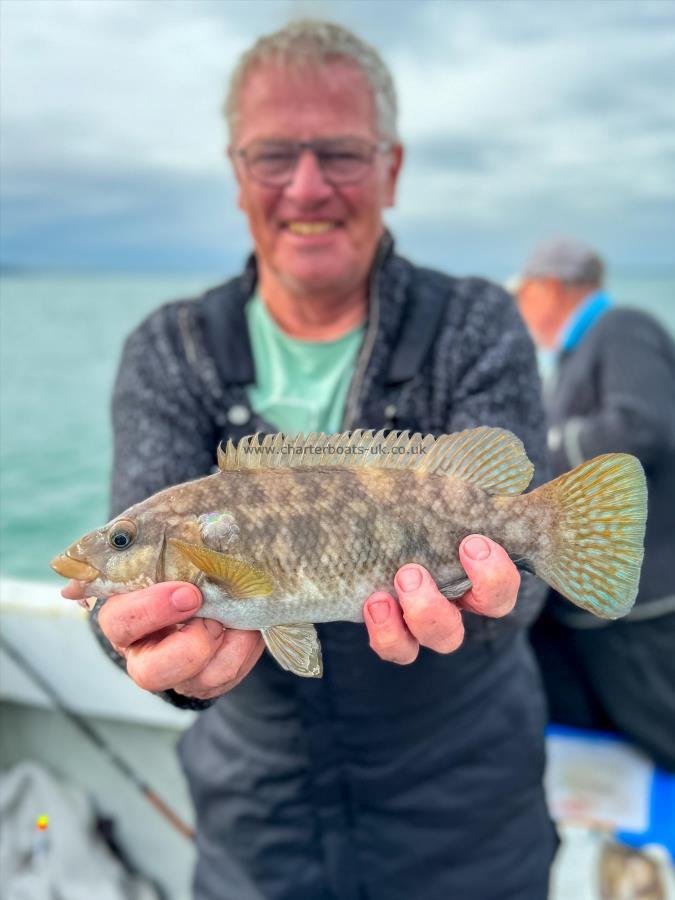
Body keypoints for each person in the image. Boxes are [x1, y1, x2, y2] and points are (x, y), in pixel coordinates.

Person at [63, 21, 557, 899]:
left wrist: (483, 601)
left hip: (468, 815)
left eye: (339, 153)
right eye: (272, 156)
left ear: (391, 170)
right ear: (236, 173)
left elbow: (530, 582)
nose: (306, 186)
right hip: (258, 830)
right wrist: (161, 655)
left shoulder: (477, 324)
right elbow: (128, 613)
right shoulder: (168, 352)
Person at [517, 236, 675, 771]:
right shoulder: (570, 356)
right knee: (613, 740)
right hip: (594, 605)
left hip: (645, 598)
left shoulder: (622, 327)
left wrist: (540, 446)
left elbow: (643, 425)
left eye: (524, 293)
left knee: (661, 728)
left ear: (550, 289)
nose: (520, 307)